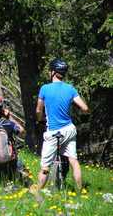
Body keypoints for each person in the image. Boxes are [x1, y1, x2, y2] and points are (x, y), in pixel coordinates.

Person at [33, 58, 89, 193]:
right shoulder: (70, 88)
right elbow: (85, 108)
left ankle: (37, 192)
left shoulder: (45, 89)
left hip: (54, 131)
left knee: (45, 166)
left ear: (53, 72)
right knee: (73, 161)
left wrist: (39, 120)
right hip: (69, 129)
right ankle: (80, 191)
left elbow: (38, 110)